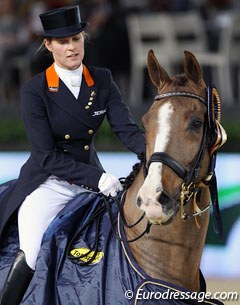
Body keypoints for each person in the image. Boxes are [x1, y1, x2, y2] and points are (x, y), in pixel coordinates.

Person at [0, 5, 145, 305]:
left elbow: (127, 130)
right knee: (30, 251)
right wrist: (97, 178)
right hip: (48, 183)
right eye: (63, 42)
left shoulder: (102, 80)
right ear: (48, 45)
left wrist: (157, 156)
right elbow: (46, 156)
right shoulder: (35, 90)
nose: (72, 47)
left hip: (92, 183)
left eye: (76, 39)